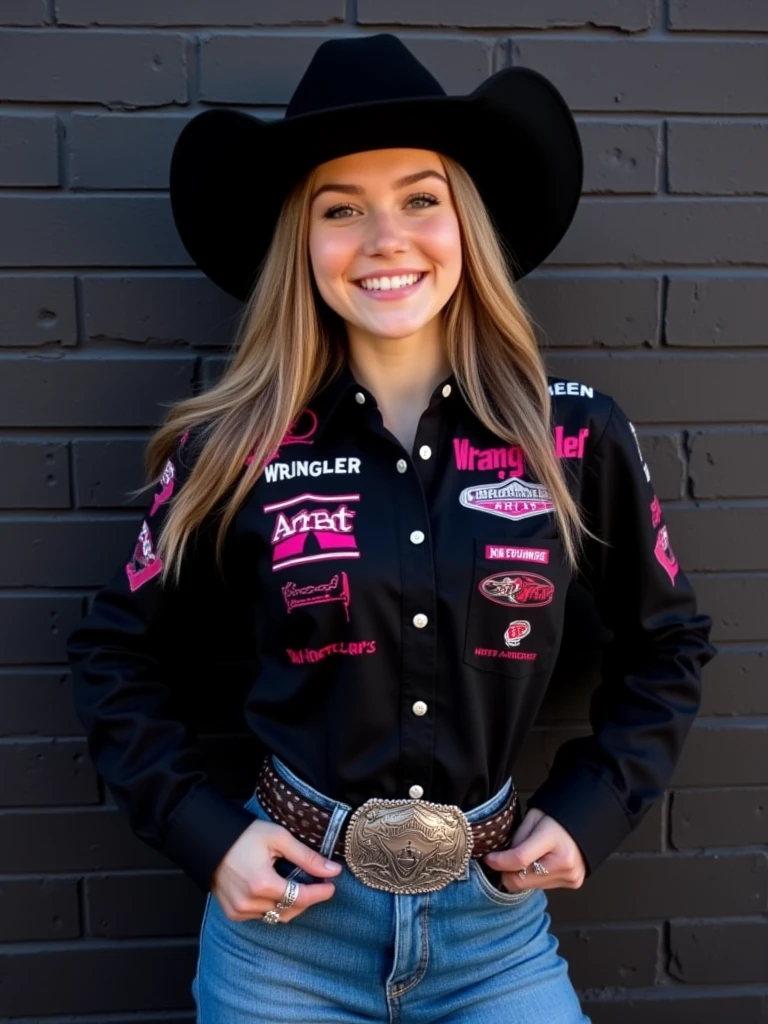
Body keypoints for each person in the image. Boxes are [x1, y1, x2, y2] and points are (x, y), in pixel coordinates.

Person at [65, 33, 716, 1024]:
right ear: (302, 241)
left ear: (467, 222)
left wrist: (595, 808)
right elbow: (115, 649)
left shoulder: (574, 432)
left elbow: (670, 640)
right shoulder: (237, 446)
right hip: (287, 932)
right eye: (341, 209)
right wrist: (207, 835)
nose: (385, 237)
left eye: (420, 197)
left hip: (495, 930)